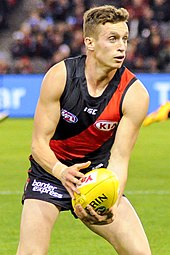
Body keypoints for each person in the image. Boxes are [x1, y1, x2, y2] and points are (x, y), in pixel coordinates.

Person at [16, 5, 152, 255]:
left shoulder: (135, 94)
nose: (122, 46)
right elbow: (38, 144)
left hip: (96, 176)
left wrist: (113, 197)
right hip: (50, 173)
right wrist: (61, 172)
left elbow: (120, 159)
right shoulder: (60, 76)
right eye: (112, 39)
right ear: (89, 42)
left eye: (124, 38)